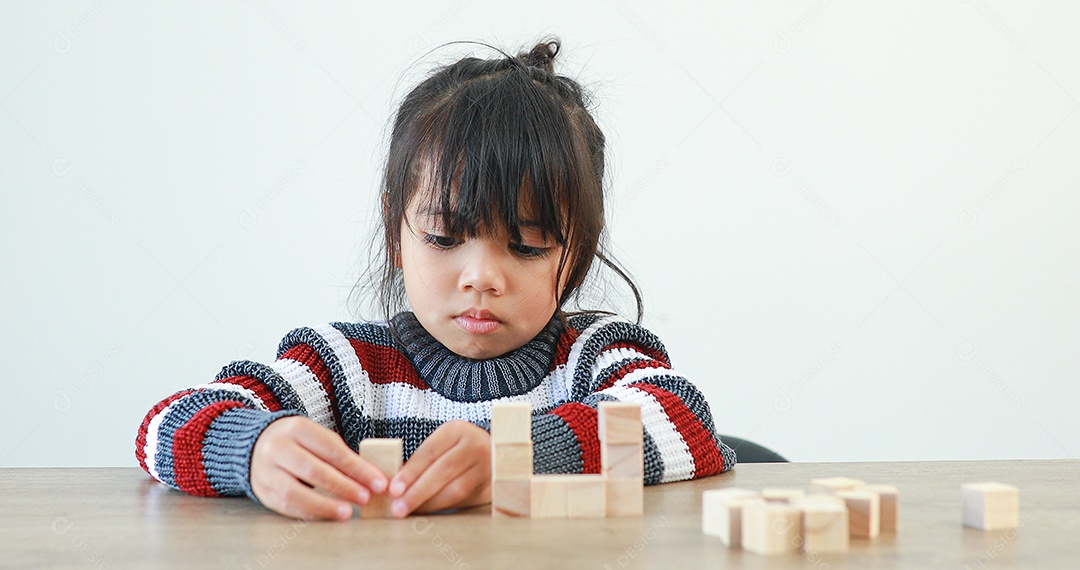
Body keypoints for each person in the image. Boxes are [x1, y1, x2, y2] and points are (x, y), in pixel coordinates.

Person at [135, 38, 736, 521]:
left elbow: (686, 421)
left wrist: (515, 456)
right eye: (444, 238)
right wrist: (254, 450)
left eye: (527, 246)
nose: (481, 278)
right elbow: (166, 423)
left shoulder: (594, 357)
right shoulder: (346, 368)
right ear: (396, 227)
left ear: (576, 248)